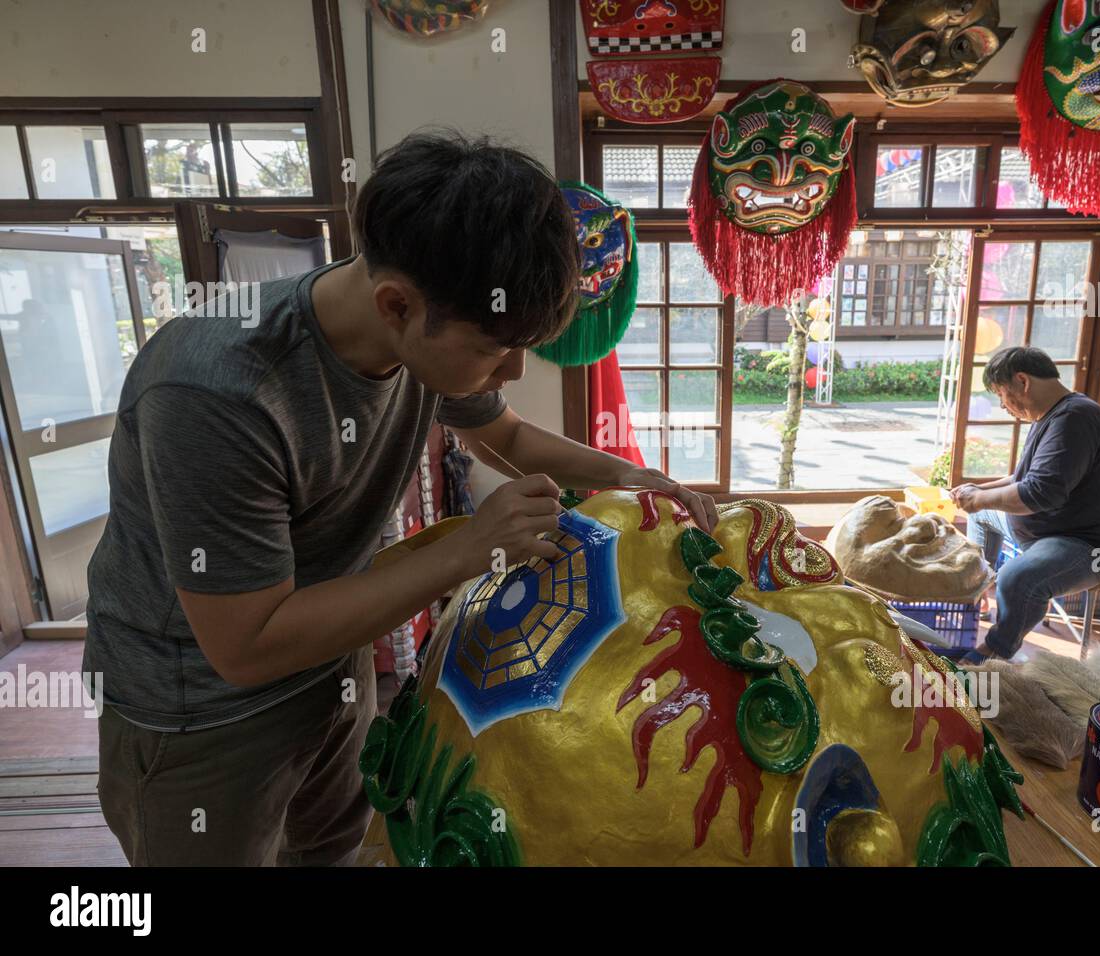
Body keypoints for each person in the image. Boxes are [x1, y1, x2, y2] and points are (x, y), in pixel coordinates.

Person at [84, 130, 717, 866]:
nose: (511, 370)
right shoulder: (216, 391)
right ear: (396, 303)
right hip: (201, 715)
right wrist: (470, 549)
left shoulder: (416, 334)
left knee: (330, 848)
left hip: (330, 657)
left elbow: (505, 438)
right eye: (494, 349)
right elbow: (247, 646)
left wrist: (631, 476)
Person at [949, 346, 1100, 663]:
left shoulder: (1075, 419)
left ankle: (996, 650)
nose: (1002, 405)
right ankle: (982, 590)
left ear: (1022, 381)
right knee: (983, 519)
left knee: (1017, 579)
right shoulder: (1049, 416)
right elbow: (1021, 478)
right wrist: (979, 491)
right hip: (1047, 532)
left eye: (1001, 393)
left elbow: (1039, 494)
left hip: (1090, 545)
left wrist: (978, 499)